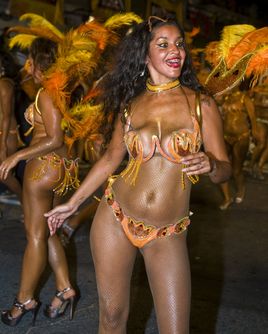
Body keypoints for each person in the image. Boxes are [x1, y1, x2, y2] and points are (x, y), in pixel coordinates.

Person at [45, 17, 231, 333]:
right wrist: (71, 205)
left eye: (179, 44)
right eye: (164, 44)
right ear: (145, 55)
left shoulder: (201, 105)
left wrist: (212, 164)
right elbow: (109, 160)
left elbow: (224, 172)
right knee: (113, 319)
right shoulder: (131, 106)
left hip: (166, 232)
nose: (176, 51)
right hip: (115, 217)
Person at [0, 37, 79, 327]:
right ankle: (65, 288)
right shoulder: (60, 90)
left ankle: (24, 301)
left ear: (37, 60)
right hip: (61, 169)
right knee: (48, 231)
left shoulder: (47, 93)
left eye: (30, 59)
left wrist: (17, 155)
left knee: (34, 236)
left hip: (43, 169)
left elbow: (54, 137)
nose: (27, 64)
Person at [215, 85, 258, 210]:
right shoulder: (226, 97)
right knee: (221, 167)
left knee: (236, 170)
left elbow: (253, 118)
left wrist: (254, 132)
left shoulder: (245, 98)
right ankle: (227, 197)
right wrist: (221, 94)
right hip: (226, 136)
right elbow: (214, 102)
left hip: (241, 137)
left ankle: (241, 189)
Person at [0, 50, 23, 203]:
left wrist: (2, 145)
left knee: (4, 174)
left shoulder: (4, 84)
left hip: (6, 134)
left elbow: (7, 115)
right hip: (3, 133)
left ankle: (25, 200)